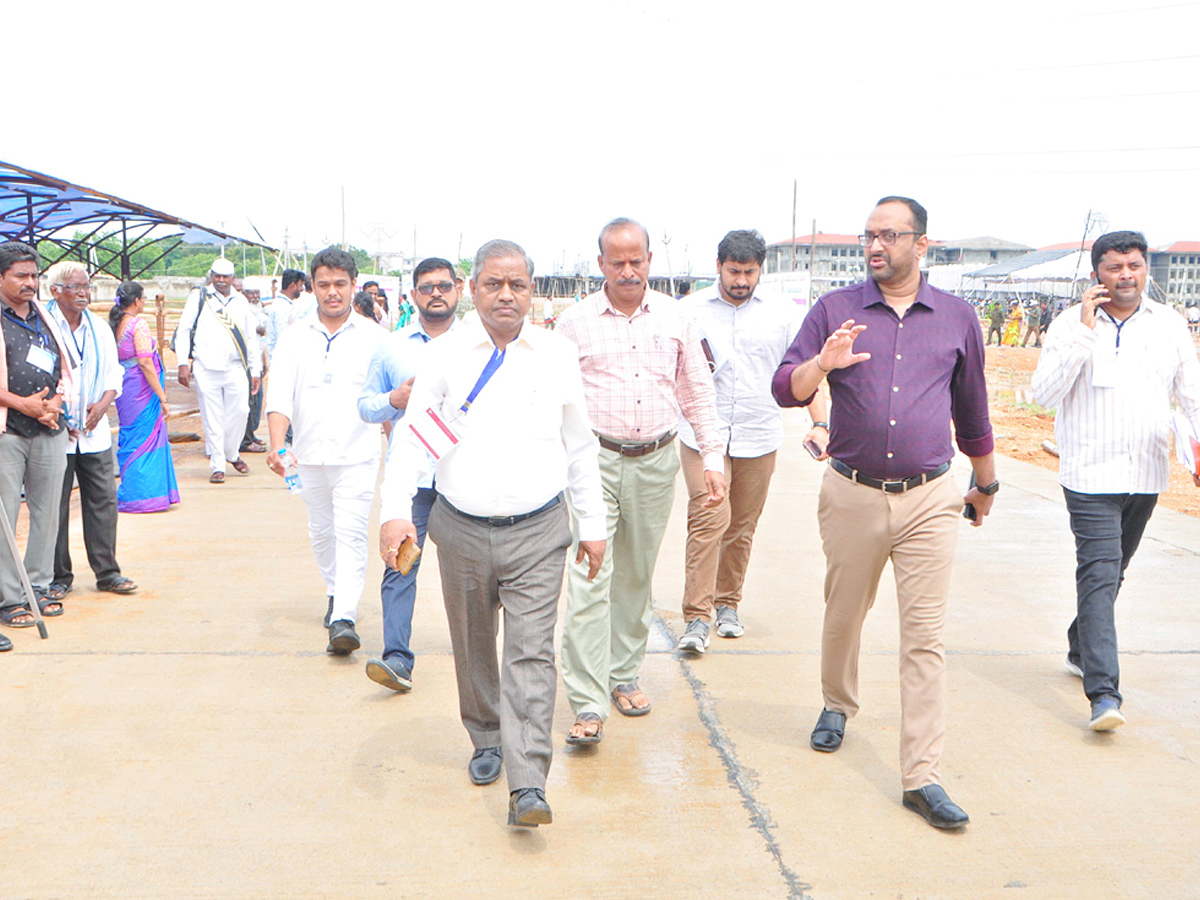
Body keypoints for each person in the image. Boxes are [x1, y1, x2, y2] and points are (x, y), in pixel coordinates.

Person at [772, 197, 997, 830]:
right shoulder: (835, 311)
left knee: (925, 638)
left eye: (889, 235)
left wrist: (986, 483)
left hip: (931, 497)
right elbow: (785, 386)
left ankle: (921, 777)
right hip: (852, 492)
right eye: (870, 236)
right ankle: (836, 704)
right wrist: (824, 364)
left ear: (922, 245)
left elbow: (973, 411)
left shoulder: (956, 317)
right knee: (845, 612)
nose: (875, 246)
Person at [378, 239, 605, 828]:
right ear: (472, 289)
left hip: (540, 530)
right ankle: (485, 735)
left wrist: (594, 524)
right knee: (475, 645)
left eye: (519, 285)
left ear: (533, 290)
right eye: (493, 284)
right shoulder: (447, 356)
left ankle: (528, 784)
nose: (506, 295)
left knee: (531, 654)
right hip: (461, 529)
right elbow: (413, 439)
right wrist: (395, 509)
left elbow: (579, 444)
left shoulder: (556, 353)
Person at [556, 218, 725, 745]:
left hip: (656, 462)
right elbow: (556, 404)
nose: (628, 271)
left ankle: (622, 674)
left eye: (637, 261)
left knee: (634, 576)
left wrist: (713, 456)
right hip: (593, 464)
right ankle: (587, 700)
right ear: (600, 263)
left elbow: (696, 390)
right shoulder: (573, 323)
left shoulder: (677, 317)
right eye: (617, 262)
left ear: (650, 260)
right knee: (590, 576)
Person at [1031, 230, 1200, 732]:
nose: (1125, 275)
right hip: (1089, 473)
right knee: (1100, 572)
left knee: (1113, 573)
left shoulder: (1169, 324)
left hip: (1146, 472)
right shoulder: (1068, 325)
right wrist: (1085, 333)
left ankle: (1080, 643)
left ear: (1146, 269)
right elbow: (1043, 396)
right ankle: (1104, 694)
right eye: (1114, 267)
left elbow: (1190, 394)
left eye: (1134, 265)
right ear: (1095, 274)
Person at [676, 230, 828, 655]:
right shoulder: (689, 311)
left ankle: (727, 604)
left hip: (758, 434)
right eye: (733, 271)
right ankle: (696, 617)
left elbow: (806, 375)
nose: (741, 280)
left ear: (761, 269)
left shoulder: (783, 314)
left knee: (741, 527)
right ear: (718, 267)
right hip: (702, 435)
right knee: (709, 518)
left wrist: (822, 423)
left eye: (749, 272)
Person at [266, 248, 384, 655]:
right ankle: (335, 592)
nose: (332, 292)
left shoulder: (374, 337)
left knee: (350, 532)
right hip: (309, 455)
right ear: (312, 287)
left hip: (359, 453)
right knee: (322, 532)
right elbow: (279, 392)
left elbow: (386, 399)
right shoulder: (296, 336)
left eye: (340, 284)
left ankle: (345, 618)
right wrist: (278, 444)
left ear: (353, 284)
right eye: (323, 285)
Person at [356, 257, 459, 692]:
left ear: (458, 291)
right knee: (400, 566)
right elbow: (364, 405)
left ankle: (480, 660)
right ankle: (397, 658)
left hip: (462, 478)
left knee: (471, 575)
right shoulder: (391, 346)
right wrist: (394, 400)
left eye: (444, 286)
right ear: (413, 295)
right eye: (427, 287)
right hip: (411, 480)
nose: (437, 293)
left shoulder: (480, 344)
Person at [44, 262, 136, 598]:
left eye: (87, 287)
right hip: (56, 431)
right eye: (76, 287)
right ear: (55, 291)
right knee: (55, 504)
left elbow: (115, 373)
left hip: (94, 431)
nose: (84, 293)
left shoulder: (98, 327)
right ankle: (58, 576)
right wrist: (61, 413)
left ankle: (108, 572)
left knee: (103, 501)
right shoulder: (43, 324)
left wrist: (103, 404)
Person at [0, 242, 76, 634]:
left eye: (34, 276)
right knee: (4, 517)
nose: (30, 283)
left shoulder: (45, 316)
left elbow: (65, 367)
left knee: (48, 512)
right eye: (21, 276)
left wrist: (55, 403)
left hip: (49, 428)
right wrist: (22, 406)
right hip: (8, 432)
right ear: (1, 277)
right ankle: (10, 598)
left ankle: (38, 586)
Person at [175, 258, 262, 484]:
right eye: (217, 276)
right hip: (206, 367)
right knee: (212, 417)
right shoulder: (200, 297)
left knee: (241, 412)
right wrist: (182, 363)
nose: (221, 281)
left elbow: (251, 338)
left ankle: (231, 453)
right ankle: (217, 464)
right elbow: (184, 330)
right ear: (211, 275)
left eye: (226, 277)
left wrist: (255, 370)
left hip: (235, 367)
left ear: (233, 278)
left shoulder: (241, 301)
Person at [110, 282, 179, 514]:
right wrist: (162, 397)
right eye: (144, 298)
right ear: (137, 301)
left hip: (125, 388)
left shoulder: (116, 324)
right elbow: (145, 362)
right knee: (145, 437)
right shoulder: (137, 324)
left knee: (132, 437)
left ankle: (136, 491)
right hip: (141, 390)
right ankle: (145, 495)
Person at [240, 287, 268, 454]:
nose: (255, 296)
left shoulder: (259, 310)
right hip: (246, 364)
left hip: (256, 361)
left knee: (257, 401)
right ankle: (245, 440)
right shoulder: (243, 311)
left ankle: (251, 435)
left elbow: (260, 340)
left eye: (258, 292)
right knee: (248, 403)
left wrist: (263, 361)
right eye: (252, 293)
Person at [266, 269, 305, 357]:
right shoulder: (282, 307)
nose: (302, 289)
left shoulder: (284, 304)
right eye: (300, 285)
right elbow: (283, 337)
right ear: (293, 285)